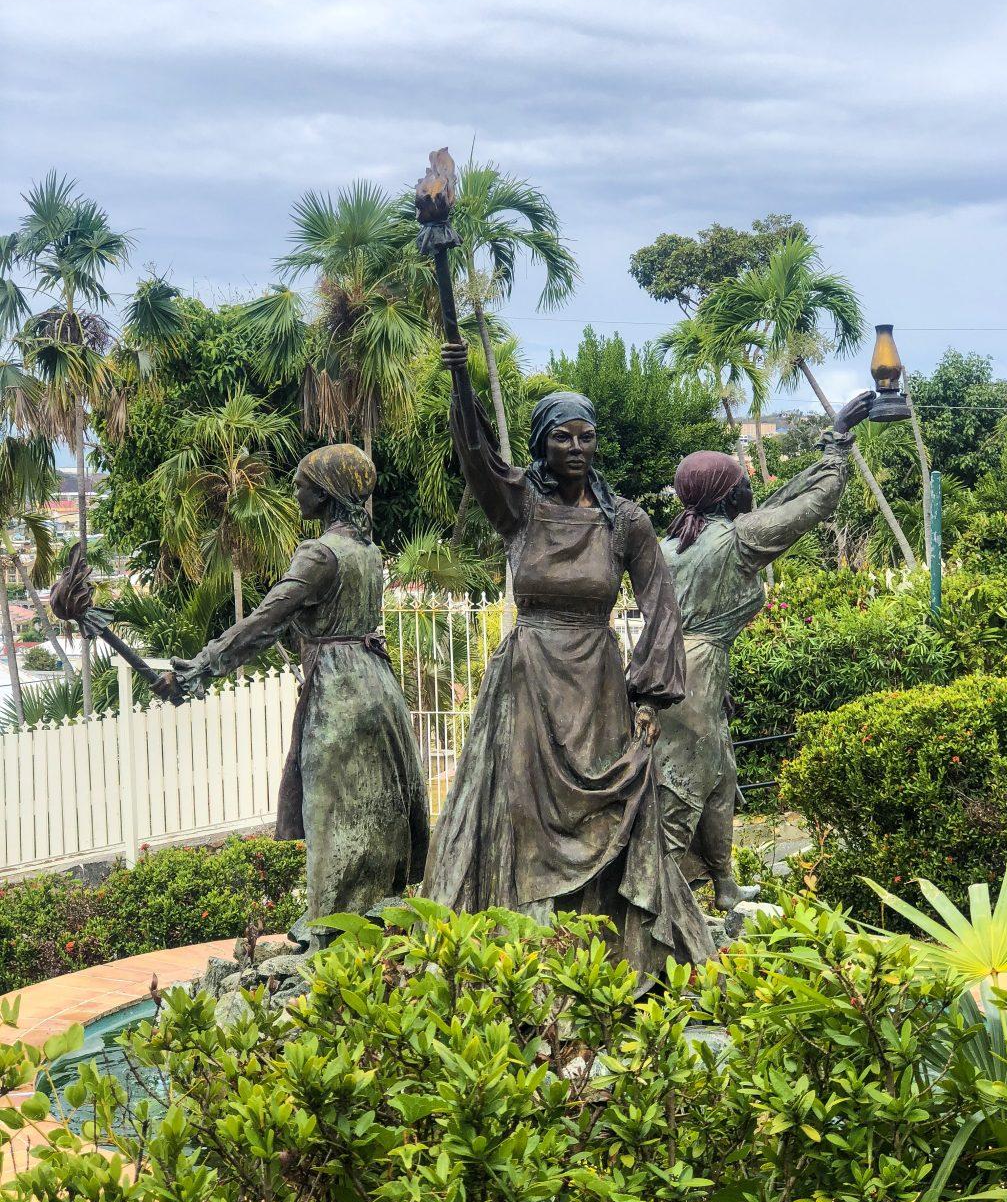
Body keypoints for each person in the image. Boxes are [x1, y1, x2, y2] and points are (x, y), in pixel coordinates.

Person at [421, 341, 714, 979]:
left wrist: (648, 695)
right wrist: (461, 382)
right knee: (524, 814)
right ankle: (528, 951)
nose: (576, 448)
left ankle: (608, 954)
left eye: (585, 437)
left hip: (600, 682)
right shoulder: (520, 508)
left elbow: (662, 607)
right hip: (529, 676)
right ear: (542, 445)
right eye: (562, 438)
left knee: (610, 811)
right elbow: (476, 459)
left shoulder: (624, 522)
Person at [170, 445, 429, 932]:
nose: (295, 491)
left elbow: (266, 619)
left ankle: (330, 930)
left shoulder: (321, 554)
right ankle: (374, 920)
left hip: (339, 695)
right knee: (373, 814)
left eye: (303, 483)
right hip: (379, 687)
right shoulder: (368, 552)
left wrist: (201, 667)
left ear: (327, 492)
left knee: (332, 815)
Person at [655, 389, 876, 909]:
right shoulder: (736, 540)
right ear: (724, 495)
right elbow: (815, 503)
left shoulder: (672, 545)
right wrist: (836, 442)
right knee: (688, 781)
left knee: (720, 775)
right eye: (743, 482)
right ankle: (661, 890)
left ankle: (723, 884)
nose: (751, 488)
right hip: (694, 671)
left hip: (673, 668)